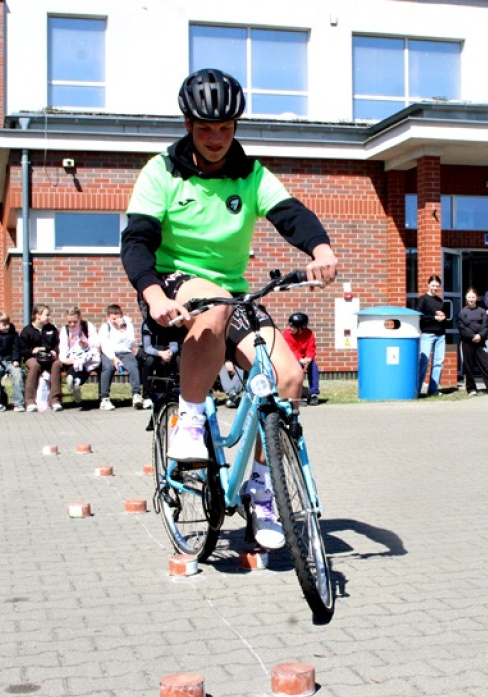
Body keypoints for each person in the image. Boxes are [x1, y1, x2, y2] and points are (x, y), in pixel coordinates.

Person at [120, 68, 338, 550]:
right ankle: (192, 418)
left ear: (236, 125)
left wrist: (320, 248)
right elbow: (137, 240)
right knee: (210, 306)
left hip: (232, 292)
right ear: (187, 124)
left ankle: (260, 487)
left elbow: (290, 214)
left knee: (288, 377)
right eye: (204, 129)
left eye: (225, 127)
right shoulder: (162, 171)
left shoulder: (251, 173)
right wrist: (153, 294)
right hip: (174, 285)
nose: (216, 138)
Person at [456, 287, 488, 396]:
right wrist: (472, 336)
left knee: (486, 365)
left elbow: (485, 325)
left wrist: (480, 336)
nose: (471, 299)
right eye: (469, 297)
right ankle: (471, 389)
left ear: (476, 298)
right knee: (468, 366)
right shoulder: (462, 313)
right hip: (467, 342)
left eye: (473, 297)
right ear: (466, 298)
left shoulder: (482, 312)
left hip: (480, 342)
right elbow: (462, 328)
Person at [97, 304, 144, 411]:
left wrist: (122, 329)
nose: (116, 321)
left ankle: (136, 395)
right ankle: (105, 398)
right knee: (107, 368)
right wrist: (113, 358)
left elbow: (130, 343)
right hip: (110, 354)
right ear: (108, 317)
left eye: (118, 317)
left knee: (133, 366)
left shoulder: (127, 325)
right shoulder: (105, 327)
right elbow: (104, 345)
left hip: (125, 353)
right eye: (114, 318)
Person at [19, 303, 63, 412]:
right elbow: (22, 349)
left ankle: (54, 400)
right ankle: (30, 401)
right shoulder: (27, 331)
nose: (49, 317)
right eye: (47, 315)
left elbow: (57, 344)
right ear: (38, 315)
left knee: (57, 364)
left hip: (49, 357)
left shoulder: (51, 329)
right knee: (34, 366)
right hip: (32, 357)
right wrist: (32, 351)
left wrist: (54, 351)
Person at [58, 307, 100, 405]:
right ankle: (75, 380)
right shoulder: (65, 330)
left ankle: (75, 381)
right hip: (72, 355)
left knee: (85, 365)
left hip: (86, 354)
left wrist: (86, 343)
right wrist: (64, 359)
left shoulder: (87, 326)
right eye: (69, 322)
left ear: (80, 318)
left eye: (75, 322)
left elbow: (96, 343)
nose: (72, 324)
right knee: (72, 364)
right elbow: (63, 346)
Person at [0, 311, 25, 412]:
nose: (7, 326)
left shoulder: (14, 335)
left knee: (18, 373)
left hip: (10, 360)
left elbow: (16, 349)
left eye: (8, 324)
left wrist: (16, 359)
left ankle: (18, 403)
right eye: (4, 325)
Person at [137, 320, 180, 411]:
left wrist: (170, 352)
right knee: (149, 361)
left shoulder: (172, 323)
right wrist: (160, 353)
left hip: (165, 350)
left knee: (171, 359)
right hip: (149, 350)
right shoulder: (147, 324)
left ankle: (163, 392)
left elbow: (174, 345)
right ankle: (146, 396)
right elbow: (147, 347)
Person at [415, 275, 447, 396]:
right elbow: (420, 316)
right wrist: (434, 317)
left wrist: (443, 317)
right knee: (424, 361)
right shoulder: (423, 300)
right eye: (433, 285)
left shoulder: (440, 301)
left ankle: (433, 390)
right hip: (427, 334)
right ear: (428, 285)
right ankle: (416, 390)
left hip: (440, 335)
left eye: (437, 286)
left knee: (438, 363)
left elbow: (444, 317)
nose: (435, 288)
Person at [283, 312, 320, 406]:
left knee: (314, 367)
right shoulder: (287, 334)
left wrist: (309, 359)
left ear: (301, 328)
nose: (289, 328)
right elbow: (292, 349)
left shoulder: (309, 333)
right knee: (297, 368)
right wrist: (300, 359)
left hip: (305, 358)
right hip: (292, 358)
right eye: (289, 325)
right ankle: (297, 394)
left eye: (292, 327)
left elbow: (311, 347)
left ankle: (313, 394)